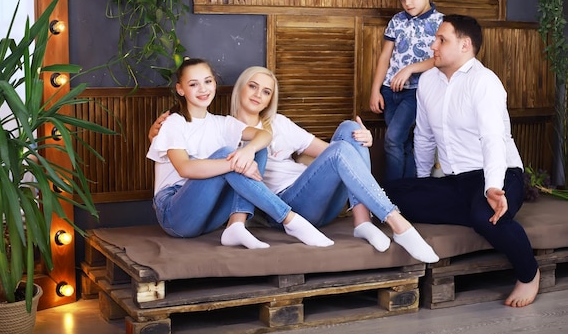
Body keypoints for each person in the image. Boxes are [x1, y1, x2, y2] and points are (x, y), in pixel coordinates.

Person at [150, 66, 440, 263]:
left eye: (266, 91)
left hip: (315, 192)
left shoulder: (276, 124)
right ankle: (397, 224)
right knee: (251, 151)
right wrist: (156, 131)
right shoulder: (223, 127)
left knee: (349, 131)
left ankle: (362, 222)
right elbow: (187, 155)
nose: (257, 95)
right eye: (252, 86)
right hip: (286, 201)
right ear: (238, 88)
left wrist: (362, 141)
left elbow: (337, 156)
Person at [383, 14, 540, 307]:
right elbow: (425, 138)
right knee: (389, 193)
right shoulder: (429, 81)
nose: (433, 46)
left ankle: (529, 274)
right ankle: (471, 207)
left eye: (442, 40)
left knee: (486, 217)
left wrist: (493, 188)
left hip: (500, 174)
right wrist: (423, 183)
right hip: (457, 181)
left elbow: (492, 139)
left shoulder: (485, 82)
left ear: (465, 45)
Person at [147, 57, 335, 250]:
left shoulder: (222, 123)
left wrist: (248, 151)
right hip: (174, 213)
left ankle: (236, 225)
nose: (203, 89)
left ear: (215, 83)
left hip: (207, 215)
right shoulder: (173, 123)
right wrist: (233, 162)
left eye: (208, 81)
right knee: (229, 154)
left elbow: (263, 135)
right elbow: (185, 168)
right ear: (180, 89)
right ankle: (291, 220)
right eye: (193, 84)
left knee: (254, 149)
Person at [369, 0, 443, 182]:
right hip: (390, 91)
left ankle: (392, 195)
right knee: (403, 143)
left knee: (392, 139)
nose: (407, 2)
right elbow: (385, 57)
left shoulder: (441, 23)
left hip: (415, 93)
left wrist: (410, 69)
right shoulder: (397, 21)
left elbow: (440, 59)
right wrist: (375, 91)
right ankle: (408, 193)